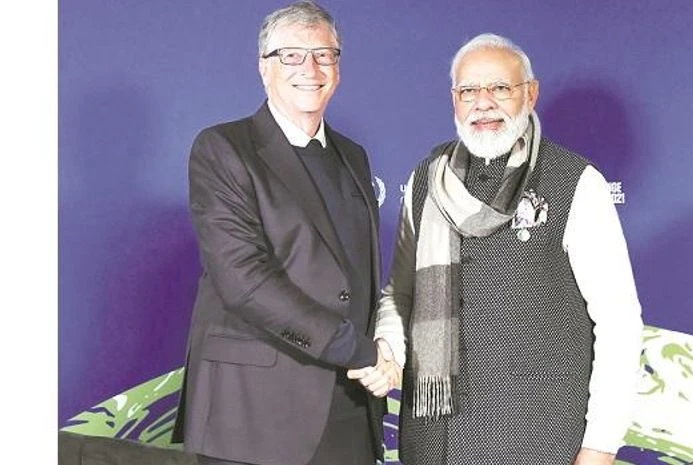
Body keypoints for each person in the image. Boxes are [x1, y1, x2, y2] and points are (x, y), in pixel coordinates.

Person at [364, 33, 643, 465]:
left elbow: (619, 322)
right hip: (432, 442)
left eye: (499, 88)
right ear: (454, 100)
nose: (483, 103)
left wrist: (601, 447)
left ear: (530, 94)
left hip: (536, 442)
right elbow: (400, 293)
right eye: (469, 91)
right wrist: (388, 349)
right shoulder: (426, 180)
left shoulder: (574, 181)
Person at [171, 2, 399, 464]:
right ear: (264, 68)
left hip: (349, 406)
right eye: (291, 55)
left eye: (324, 54)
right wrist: (358, 350)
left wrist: (384, 351)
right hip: (252, 415)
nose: (310, 69)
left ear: (338, 65)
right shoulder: (223, 148)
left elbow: (357, 279)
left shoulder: (352, 156)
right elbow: (245, 281)